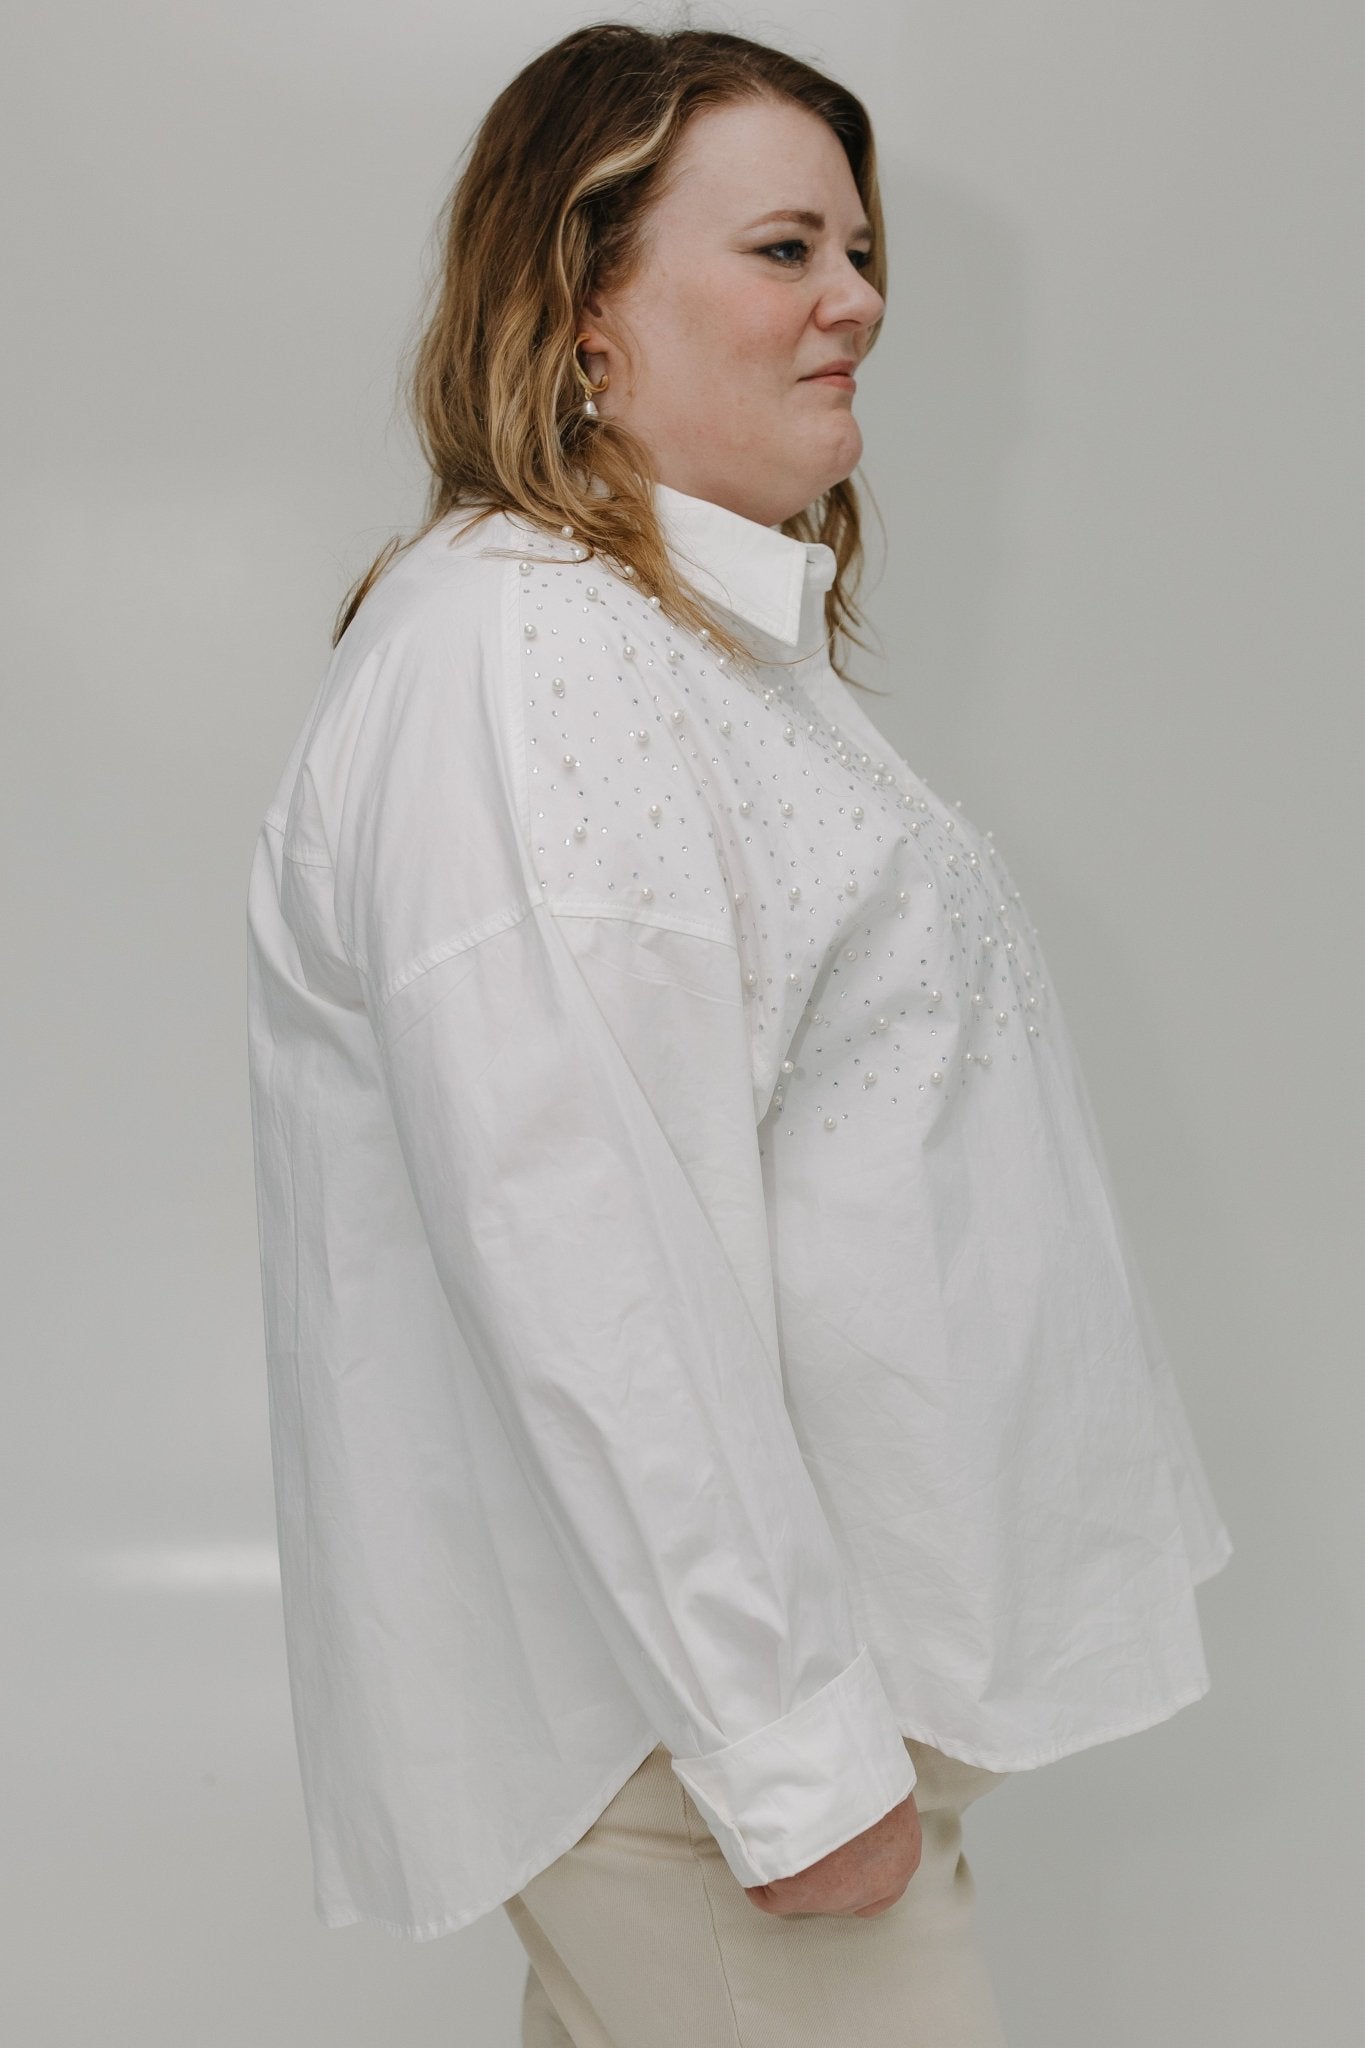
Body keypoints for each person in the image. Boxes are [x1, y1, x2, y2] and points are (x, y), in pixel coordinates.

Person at [245, 21, 1233, 2046]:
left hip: (762, 1728)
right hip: (702, 1760)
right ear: (580, 308)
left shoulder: (666, 647)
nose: (853, 297)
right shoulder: (527, 656)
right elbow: (581, 1249)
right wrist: (789, 1761)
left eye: (857, 250)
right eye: (784, 249)